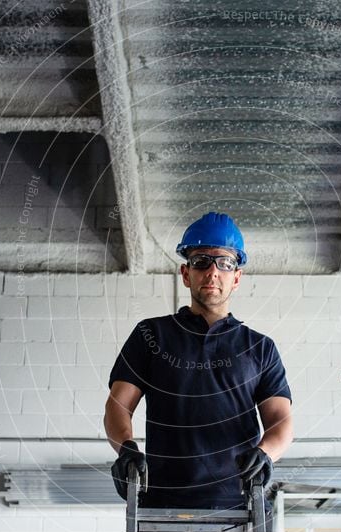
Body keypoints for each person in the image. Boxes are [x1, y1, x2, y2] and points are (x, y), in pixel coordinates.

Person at [105, 211, 293, 514]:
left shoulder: (260, 348)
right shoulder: (150, 335)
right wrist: (126, 449)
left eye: (225, 263)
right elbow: (117, 404)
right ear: (185, 273)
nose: (213, 271)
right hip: (161, 506)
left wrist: (266, 453)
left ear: (237, 277)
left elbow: (281, 422)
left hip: (238, 508)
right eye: (201, 261)